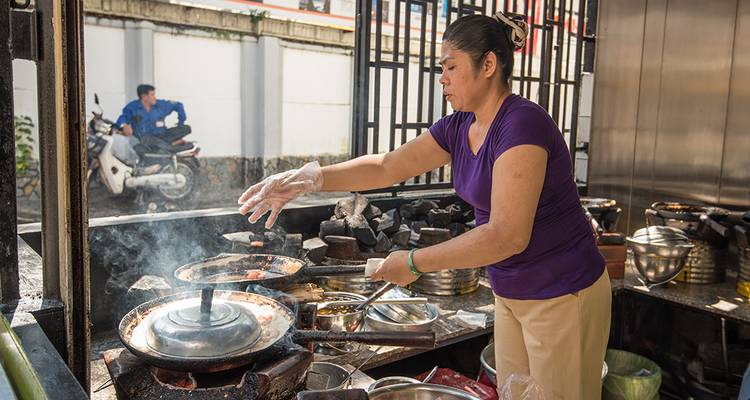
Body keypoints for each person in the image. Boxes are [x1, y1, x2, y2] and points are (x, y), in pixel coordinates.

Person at [237, 12, 611, 399]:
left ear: (488, 65)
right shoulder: (459, 126)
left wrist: (413, 262)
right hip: (512, 292)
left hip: (563, 294)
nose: (442, 78)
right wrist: (309, 178)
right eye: (441, 68)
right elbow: (388, 166)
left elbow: (507, 236)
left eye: (451, 67)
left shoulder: (522, 125)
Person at [112, 84, 190, 166]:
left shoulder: (161, 105)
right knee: (150, 141)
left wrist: (181, 122)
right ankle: (172, 146)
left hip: (162, 135)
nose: (154, 97)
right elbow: (122, 118)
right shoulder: (133, 107)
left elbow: (178, 105)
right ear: (144, 96)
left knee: (187, 128)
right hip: (145, 139)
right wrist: (124, 125)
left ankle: (170, 144)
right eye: (152, 95)